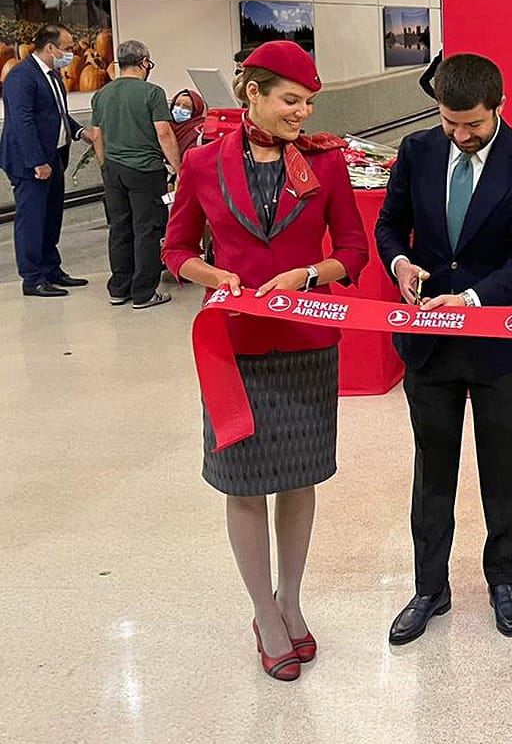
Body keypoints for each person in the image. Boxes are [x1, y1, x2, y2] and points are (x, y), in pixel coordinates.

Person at [162, 40, 369, 682]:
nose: (303, 113)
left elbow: (353, 251)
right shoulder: (202, 163)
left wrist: (307, 275)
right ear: (252, 93)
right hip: (235, 347)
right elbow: (175, 250)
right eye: (291, 101)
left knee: (300, 477)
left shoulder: (325, 163)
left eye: (309, 103)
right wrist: (214, 275)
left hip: (307, 345)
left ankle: (291, 600)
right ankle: (264, 613)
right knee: (245, 483)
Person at [375, 54, 512, 645]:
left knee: (502, 469)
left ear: (499, 106)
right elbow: (389, 226)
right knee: (432, 471)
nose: (460, 134)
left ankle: (502, 580)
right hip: (428, 343)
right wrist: (400, 264)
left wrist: (473, 299)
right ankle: (429, 587)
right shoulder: (416, 151)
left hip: (498, 343)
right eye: (449, 122)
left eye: (473, 124)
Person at [1, 23, 93, 297]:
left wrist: (80, 131)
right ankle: (32, 278)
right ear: (51, 47)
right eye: (67, 48)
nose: (71, 53)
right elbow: (22, 122)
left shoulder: (52, 75)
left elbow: (57, 113)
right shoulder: (21, 77)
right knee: (32, 219)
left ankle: (51, 269)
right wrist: (36, 161)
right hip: (30, 162)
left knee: (51, 217)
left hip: (54, 156)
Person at [89, 40, 178, 309]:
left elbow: (96, 136)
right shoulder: (152, 93)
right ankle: (144, 292)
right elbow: (164, 133)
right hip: (145, 170)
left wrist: (105, 166)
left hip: (113, 170)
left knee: (119, 228)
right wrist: (180, 169)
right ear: (145, 62)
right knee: (147, 229)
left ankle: (119, 288)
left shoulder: (102, 94)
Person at [169, 89, 207, 156]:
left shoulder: (199, 129)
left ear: (195, 110)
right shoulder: (165, 125)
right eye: (177, 104)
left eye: (186, 107)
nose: (179, 109)